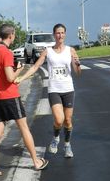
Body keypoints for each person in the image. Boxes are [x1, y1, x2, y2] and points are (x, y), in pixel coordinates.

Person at [0, 24, 48, 177]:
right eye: (14, 35)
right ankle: (36, 161)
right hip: (10, 96)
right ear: (11, 35)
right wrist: (19, 69)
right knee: (24, 128)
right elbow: (10, 77)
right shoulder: (7, 53)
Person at [15, 23, 81, 158]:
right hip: (54, 89)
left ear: (65, 34)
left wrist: (78, 64)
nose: (60, 35)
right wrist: (21, 78)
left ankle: (67, 145)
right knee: (58, 119)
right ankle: (56, 138)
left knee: (67, 121)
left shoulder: (71, 50)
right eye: (58, 33)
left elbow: (78, 73)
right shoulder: (48, 51)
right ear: (54, 34)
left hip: (68, 89)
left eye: (62, 33)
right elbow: (34, 67)